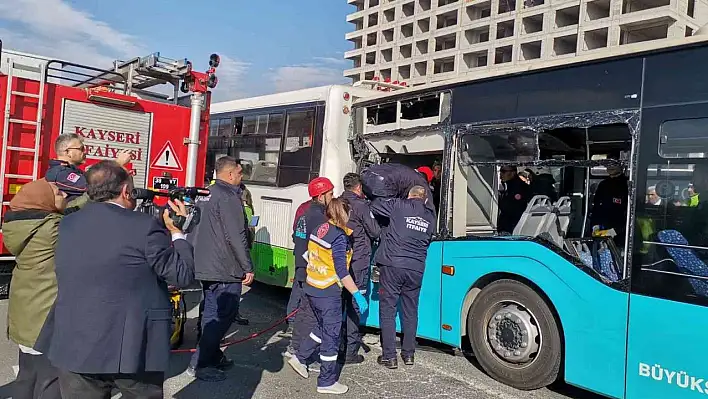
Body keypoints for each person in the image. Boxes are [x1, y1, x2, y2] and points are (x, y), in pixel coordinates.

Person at [48, 160, 195, 399]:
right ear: (126, 191)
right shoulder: (145, 227)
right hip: (132, 349)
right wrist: (178, 233)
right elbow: (182, 275)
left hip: (75, 343)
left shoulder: (68, 223)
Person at [287, 198, 369, 395]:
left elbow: (309, 254)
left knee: (321, 327)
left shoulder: (321, 228)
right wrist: (357, 294)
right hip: (328, 292)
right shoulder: (339, 237)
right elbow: (342, 271)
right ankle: (326, 381)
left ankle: (300, 357)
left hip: (313, 286)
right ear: (344, 214)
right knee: (331, 336)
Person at [187, 156, 255, 382]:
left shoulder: (207, 194)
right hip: (225, 267)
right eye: (239, 172)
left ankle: (212, 355)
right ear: (229, 175)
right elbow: (236, 236)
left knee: (210, 314)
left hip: (206, 265)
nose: (241, 175)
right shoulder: (229, 198)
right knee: (224, 315)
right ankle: (201, 363)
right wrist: (247, 266)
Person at [3, 179, 68, 399]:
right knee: (50, 379)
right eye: (58, 193)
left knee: (27, 374)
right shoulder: (53, 228)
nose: (65, 195)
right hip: (44, 316)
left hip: (24, 312)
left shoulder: (20, 225)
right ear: (44, 201)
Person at [370, 186, 435, 369]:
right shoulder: (430, 217)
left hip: (393, 264)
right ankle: (409, 354)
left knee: (388, 310)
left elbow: (376, 206)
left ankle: (389, 356)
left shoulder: (399, 205)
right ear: (424, 199)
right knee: (410, 311)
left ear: (409, 196)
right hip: (416, 268)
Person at [284, 177, 334, 359]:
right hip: (314, 272)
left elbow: (297, 239)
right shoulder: (321, 219)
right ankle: (301, 352)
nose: (332, 197)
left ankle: (296, 346)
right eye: (330, 194)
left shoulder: (304, 215)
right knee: (310, 315)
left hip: (301, 267)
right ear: (321, 196)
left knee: (303, 311)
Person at [340, 173, 380, 363]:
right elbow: (375, 231)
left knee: (339, 304)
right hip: (358, 260)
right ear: (358, 188)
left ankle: (337, 345)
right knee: (355, 305)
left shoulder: (336, 203)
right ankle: (350, 351)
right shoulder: (362, 205)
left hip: (340, 260)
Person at [45, 133, 131, 208]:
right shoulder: (60, 173)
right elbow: (94, 187)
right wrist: (117, 163)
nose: (85, 152)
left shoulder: (69, 171)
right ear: (68, 152)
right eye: (81, 149)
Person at [589, 164, 629, 245]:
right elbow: (596, 207)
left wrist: (615, 231)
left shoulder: (628, 185)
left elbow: (630, 212)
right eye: (608, 164)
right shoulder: (603, 184)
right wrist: (595, 225)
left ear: (621, 166)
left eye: (613, 164)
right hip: (602, 230)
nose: (610, 166)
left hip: (622, 234)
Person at [497, 165, 532, 234]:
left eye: (503, 172)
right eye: (500, 171)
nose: (500, 175)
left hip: (511, 227)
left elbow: (512, 208)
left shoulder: (518, 188)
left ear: (513, 173)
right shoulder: (509, 186)